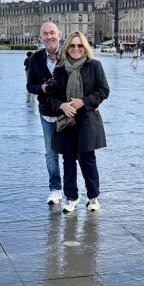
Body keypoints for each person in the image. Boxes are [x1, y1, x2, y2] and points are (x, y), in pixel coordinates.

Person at [50, 31, 109, 213]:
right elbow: (51, 96)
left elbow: (103, 90)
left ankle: (93, 197)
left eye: (80, 45)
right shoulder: (59, 69)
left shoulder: (95, 66)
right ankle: (71, 197)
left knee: (87, 159)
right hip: (67, 120)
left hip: (87, 120)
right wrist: (62, 105)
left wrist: (84, 101)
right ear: (67, 47)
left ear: (85, 47)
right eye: (73, 45)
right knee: (68, 160)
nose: (76, 49)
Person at [26, 22, 64, 205]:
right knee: (51, 152)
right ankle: (55, 189)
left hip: (67, 112)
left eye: (52, 33)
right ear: (40, 37)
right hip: (47, 113)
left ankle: (72, 191)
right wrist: (41, 87)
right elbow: (29, 86)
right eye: (45, 34)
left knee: (71, 152)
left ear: (59, 35)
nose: (49, 37)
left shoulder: (69, 55)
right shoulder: (35, 59)